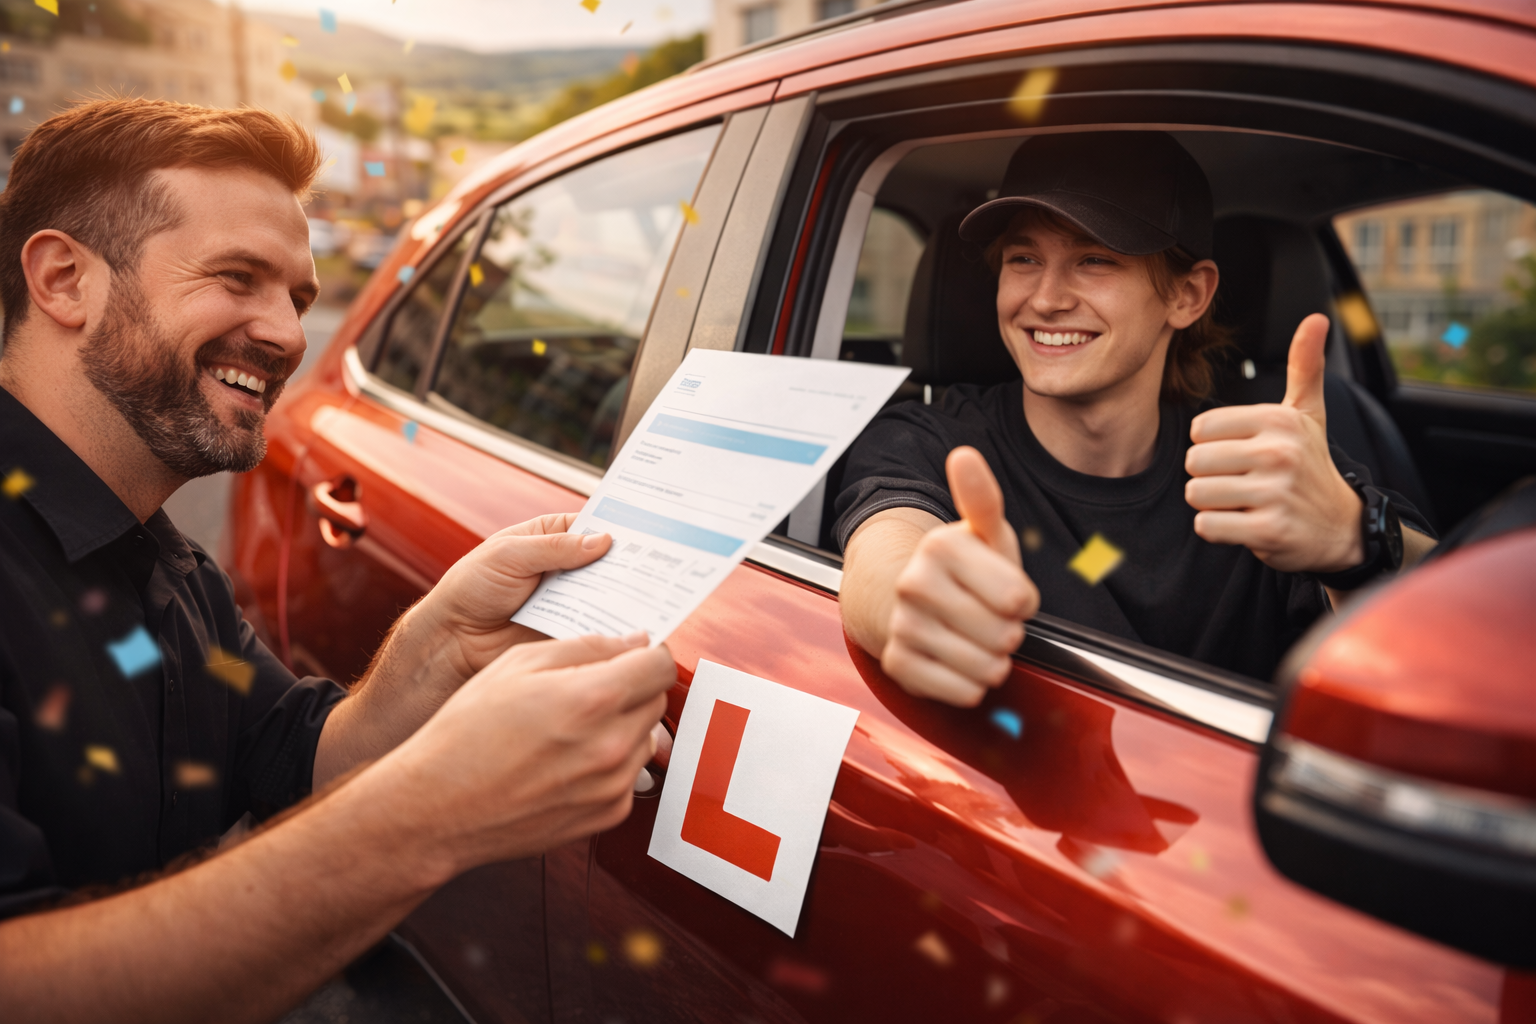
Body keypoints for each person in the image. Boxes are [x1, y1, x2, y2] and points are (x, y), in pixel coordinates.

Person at [0, 99, 673, 1022]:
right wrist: (432, 812)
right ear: (64, 279)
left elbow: (286, 752)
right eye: (238, 277)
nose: (286, 335)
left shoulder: (169, 562)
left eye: (298, 298)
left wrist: (440, 647)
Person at [836, 132, 1436, 707]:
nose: (1045, 298)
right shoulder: (928, 440)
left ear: (1188, 296)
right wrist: (914, 607)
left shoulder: (1263, 461)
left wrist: (1355, 540)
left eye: (1094, 259)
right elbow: (885, 549)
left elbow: (1452, 614)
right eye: (1024, 258)